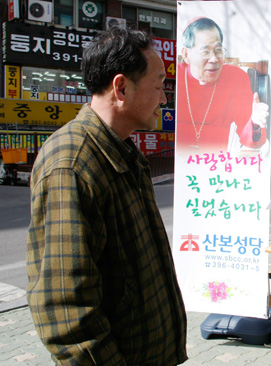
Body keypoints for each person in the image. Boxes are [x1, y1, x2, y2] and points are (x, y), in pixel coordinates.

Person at [26, 27, 187, 365]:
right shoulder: (72, 163)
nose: (164, 99)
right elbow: (66, 313)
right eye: (158, 86)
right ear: (121, 87)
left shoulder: (122, 149)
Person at [176, 17, 268, 151]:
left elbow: (248, 137)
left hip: (215, 163)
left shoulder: (235, 78)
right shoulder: (177, 74)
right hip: (181, 163)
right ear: (186, 54)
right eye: (205, 52)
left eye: (218, 50)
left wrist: (254, 123)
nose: (214, 59)